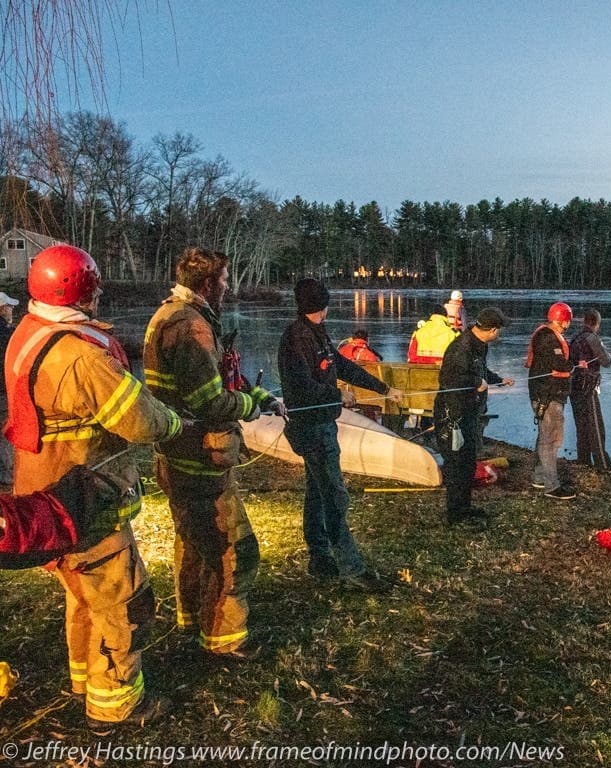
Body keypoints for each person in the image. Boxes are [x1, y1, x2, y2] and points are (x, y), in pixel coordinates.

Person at [5, 244, 183, 733]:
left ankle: (85, 680)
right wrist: (173, 422)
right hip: (84, 495)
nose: (99, 294)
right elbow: (140, 421)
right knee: (120, 599)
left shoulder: (30, 330)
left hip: (45, 489)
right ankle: (116, 703)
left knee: (83, 592)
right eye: (94, 287)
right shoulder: (82, 356)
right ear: (81, 292)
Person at [144, 247, 284, 662]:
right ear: (208, 284)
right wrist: (249, 407)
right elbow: (209, 401)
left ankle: (192, 617)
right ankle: (225, 637)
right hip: (199, 460)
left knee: (193, 541)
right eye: (223, 279)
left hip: (176, 456)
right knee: (233, 550)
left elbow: (222, 377)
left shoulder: (170, 313)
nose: (227, 285)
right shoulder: (192, 326)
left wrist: (263, 397)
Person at [278, 278, 404, 589]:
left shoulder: (317, 332)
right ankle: (352, 569)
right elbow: (302, 386)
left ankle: (319, 557)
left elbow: (343, 367)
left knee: (317, 492)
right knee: (334, 496)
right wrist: (338, 396)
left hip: (323, 424)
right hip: (310, 427)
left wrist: (383, 388)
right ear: (320, 306)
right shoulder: (295, 338)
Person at [434, 307, 514, 530]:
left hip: (469, 412)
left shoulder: (479, 345)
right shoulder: (461, 348)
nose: (500, 334)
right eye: (500, 330)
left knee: (468, 463)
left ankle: (465, 507)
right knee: (456, 464)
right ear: (493, 330)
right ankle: (455, 516)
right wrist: (475, 383)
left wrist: (498, 380)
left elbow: (480, 371)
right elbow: (448, 379)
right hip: (452, 415)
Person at [526, 302, 583, 500]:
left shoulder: (544, 335)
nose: (569, 324)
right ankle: (552, 486)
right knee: (551, 440)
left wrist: (573, 364)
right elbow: (561, 365)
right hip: (549, 395)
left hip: (543, 393)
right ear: (564, 321)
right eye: (568, 320)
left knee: (545, 436)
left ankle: (539, 476)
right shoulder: (550, 339)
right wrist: (574, 365)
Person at [569, 309, 611, 470]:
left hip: (573, 387)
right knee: (596, 427)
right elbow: (606, 362)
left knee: (581, 426)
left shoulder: (575, 337)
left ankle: (583, 460)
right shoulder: (592, 338)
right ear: (597, 324)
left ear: (584, 321)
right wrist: (607, 353)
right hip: (588, 388)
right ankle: (602, 465)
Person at [0, 291, 19, 486]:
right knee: (7, 433)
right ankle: (8, 477)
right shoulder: (9, 336)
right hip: (4, 393)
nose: (12, 309)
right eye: (9, 306)